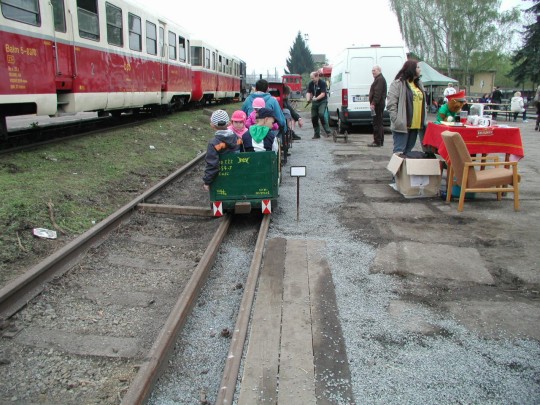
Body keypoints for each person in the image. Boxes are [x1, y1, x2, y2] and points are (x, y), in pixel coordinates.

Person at [386, 60, 427, 155]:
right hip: (402, 125)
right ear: (411, 69)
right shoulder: (398, 83)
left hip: (416, 125)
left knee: (408, 153)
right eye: (418, 67)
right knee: (399, 153)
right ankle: (397, 170)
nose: (420, 69)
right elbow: (391, 104)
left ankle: (405, 170)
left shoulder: (419, 83)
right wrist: (397, 120)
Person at [203, 110, 242, 191]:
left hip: (223, 176)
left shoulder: (213, 143)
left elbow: (212, 164)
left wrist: (207, 182)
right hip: (238, 173)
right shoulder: (237, 138)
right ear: (229, 123)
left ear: (212, 125)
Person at [306, 71, 331, 139]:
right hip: (315, 102)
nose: (312, 80)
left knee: (321, 114)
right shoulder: (310, 84)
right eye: (311, 78)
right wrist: (308, 99)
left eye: (313, 78)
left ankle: (328, 132)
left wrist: (316, 98)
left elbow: (323, 94)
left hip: (322, 101)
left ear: (317, 77)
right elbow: (308, 92)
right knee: (314, 117)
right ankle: (316, 134)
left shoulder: (322, 83)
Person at [368, 65, 387, 147]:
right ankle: (380, 141)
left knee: (377, 123)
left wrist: (373, 103)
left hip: (378, 105)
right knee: (379, 123)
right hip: (379, 104)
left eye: (374, 70)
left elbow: (377, 93)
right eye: (372, 70)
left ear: (379, 70)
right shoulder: (379, 79)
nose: (373, 72)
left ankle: (377, 141)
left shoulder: (379, 80)